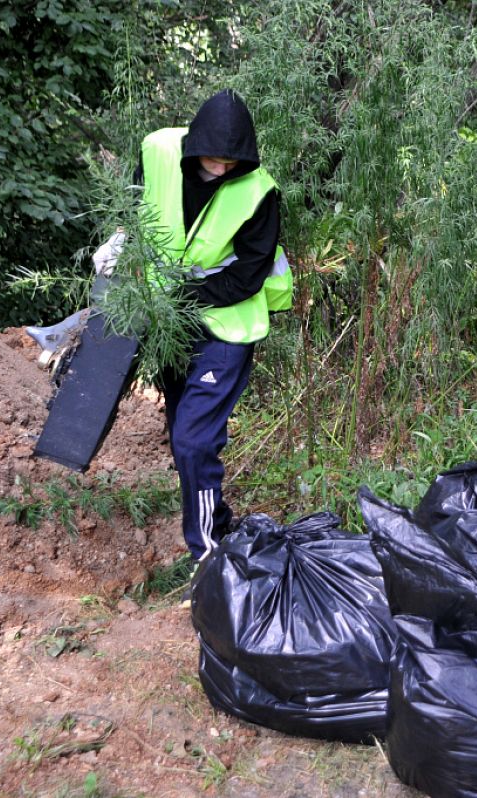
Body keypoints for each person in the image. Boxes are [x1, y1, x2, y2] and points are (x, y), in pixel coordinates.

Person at [136, 90, 293, 588]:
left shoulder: (259, 192)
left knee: (193, 439)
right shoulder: (158, 151)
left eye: (232, 162)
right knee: (187, 440)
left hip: (228, 323)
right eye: (213, 159)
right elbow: (133, 210)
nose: (222, 169)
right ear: (191, 145)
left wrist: (187, 297)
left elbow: (250, 273)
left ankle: (208, 559)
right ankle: (218, 528)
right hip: (171, 326)